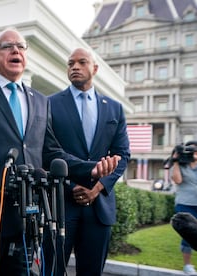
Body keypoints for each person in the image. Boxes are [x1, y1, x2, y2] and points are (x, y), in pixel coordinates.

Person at [0, 27, 121, 275]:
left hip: (24, 222)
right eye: (7, 46)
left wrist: (92, 169)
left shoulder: (40, 100)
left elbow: (53, 152)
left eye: (21, 47)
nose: (16, 50)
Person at [47, 48, 130, 275]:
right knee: (52, 270)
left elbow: (122, 154)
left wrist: (98, 187)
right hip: (61, 204)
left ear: (94, 68)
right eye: (70, 63)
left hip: (99, 206)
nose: (74, 67)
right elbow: (47, 152)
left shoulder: (114, 108)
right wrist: (72, 185)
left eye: (82, 62)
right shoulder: (49, 104)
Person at [171, 141, 197, 275]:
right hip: (185, 204)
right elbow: (177, 180)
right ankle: (187, 265)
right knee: (188, 235)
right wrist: (175, 161)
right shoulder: (181, 165)